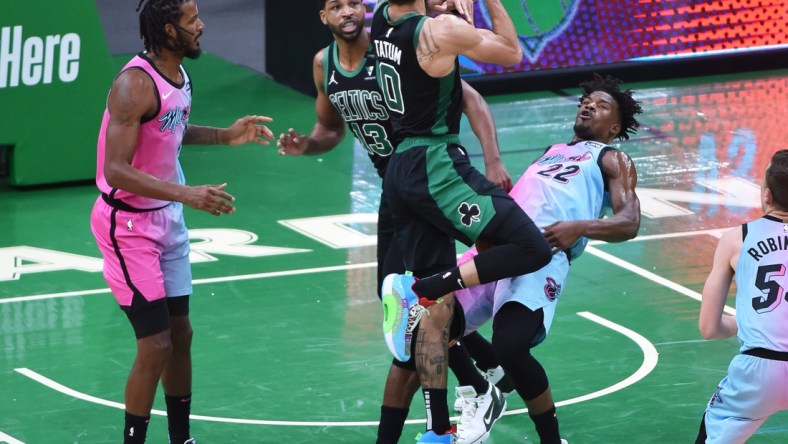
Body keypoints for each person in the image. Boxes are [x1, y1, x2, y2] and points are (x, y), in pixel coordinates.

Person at [277, 2, 512, 443]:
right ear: (322, 17)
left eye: (353, 3)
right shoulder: (322, 64)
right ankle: (485, 373)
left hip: (428, 183)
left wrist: (493, 159)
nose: (348, 12)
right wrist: (305, 145)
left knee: (419, 306)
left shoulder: (387, 46)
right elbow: (330, 128)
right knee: (398, 304)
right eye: (336, 6)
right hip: (393, 190)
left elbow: (470, 97)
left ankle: (465, 400)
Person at [89, 1, 274, 443]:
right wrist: (187, 194)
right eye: (192, 20)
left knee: (181, 334)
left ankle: (181, 439)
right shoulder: (133, 85)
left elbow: (170, 129)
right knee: (155, 344)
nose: (201, 25)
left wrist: (225, 136)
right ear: (170, 30)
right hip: (128, 226)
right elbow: (115, 168)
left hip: (166, 218)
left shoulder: (178, 75)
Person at [371, 0, 553, 441]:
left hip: (398, 171)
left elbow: (449, 78)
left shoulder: (381, 19)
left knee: (435, 314)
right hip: (435, 165)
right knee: (532, 247)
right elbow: (512, 52)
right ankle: (440, 282)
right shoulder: (437, 30)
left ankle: (437, 431)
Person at [449, 73, 643, 444]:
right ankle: (486, 383)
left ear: (614, 126)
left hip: (542, 258)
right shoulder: (552, 150)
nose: (589, 105)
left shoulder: (612, 159)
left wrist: (579, 227)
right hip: (495, 245)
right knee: (432, 319)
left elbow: (629, 222)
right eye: (586, 101)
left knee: (510, 345)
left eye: (601, 106)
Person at [695, 149, 788, 443]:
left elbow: (709, 328)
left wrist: (745, 319)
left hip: (760, 369)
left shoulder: (738, 237)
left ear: (767, 196)